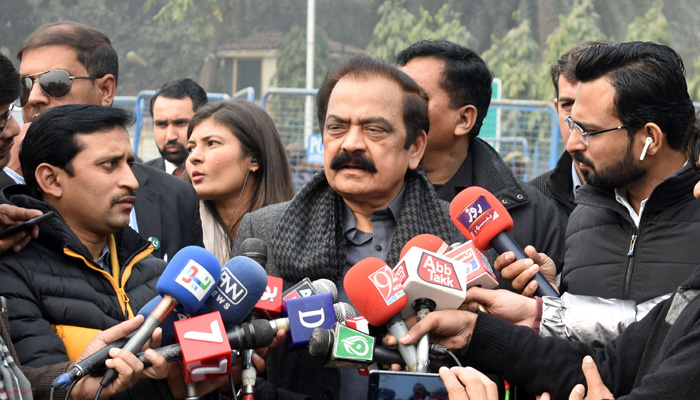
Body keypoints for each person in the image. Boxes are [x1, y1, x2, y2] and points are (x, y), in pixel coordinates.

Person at [232, 55, 465, 400]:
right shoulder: (263, 230)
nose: (351, 143)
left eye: (374, 129)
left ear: (415, 148)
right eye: (336, 128)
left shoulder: (458, 238)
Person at [494, 41, 700, 347]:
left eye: (589, 131)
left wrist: (554, 316)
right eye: (571, 125)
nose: (573, 144)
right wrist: (555, 296)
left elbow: (674, 332)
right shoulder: (586, 213)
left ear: (650, 139)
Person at [0, 104, 180, 398]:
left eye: (129, 164)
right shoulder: (11, 275)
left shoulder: (158, 273)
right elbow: (38, 387)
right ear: (51, 179)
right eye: (109, 165)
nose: (132, 181)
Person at [14, 20, 203, 260]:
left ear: (105, 90)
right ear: (48, 179)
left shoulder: (176, 197)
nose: (34, 98)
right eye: (25, 85)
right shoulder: (7, 196)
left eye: (55, 82)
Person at [396, 39, 566, 275]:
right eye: (393, 96)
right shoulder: (363, 192)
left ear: (464, 119)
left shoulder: (533, 214)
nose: (395, 109)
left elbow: (555, 306)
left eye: (415, 99)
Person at [186, 100, 294, 264]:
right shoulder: (178, 229)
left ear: (255, 159)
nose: (194, 157)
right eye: (191, 148)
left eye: (212, 143)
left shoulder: (297, 233)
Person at [529, 42, 610, 219]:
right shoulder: (533, 202)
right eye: (568, 105)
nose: (577, 119)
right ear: (557, 108)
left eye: (591, 104)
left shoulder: (646, 202)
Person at [147, 78, 207, 176]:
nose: (170, 136)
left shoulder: (224, 179)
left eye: (180, 123)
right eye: (161, 124)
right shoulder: (137, 180)